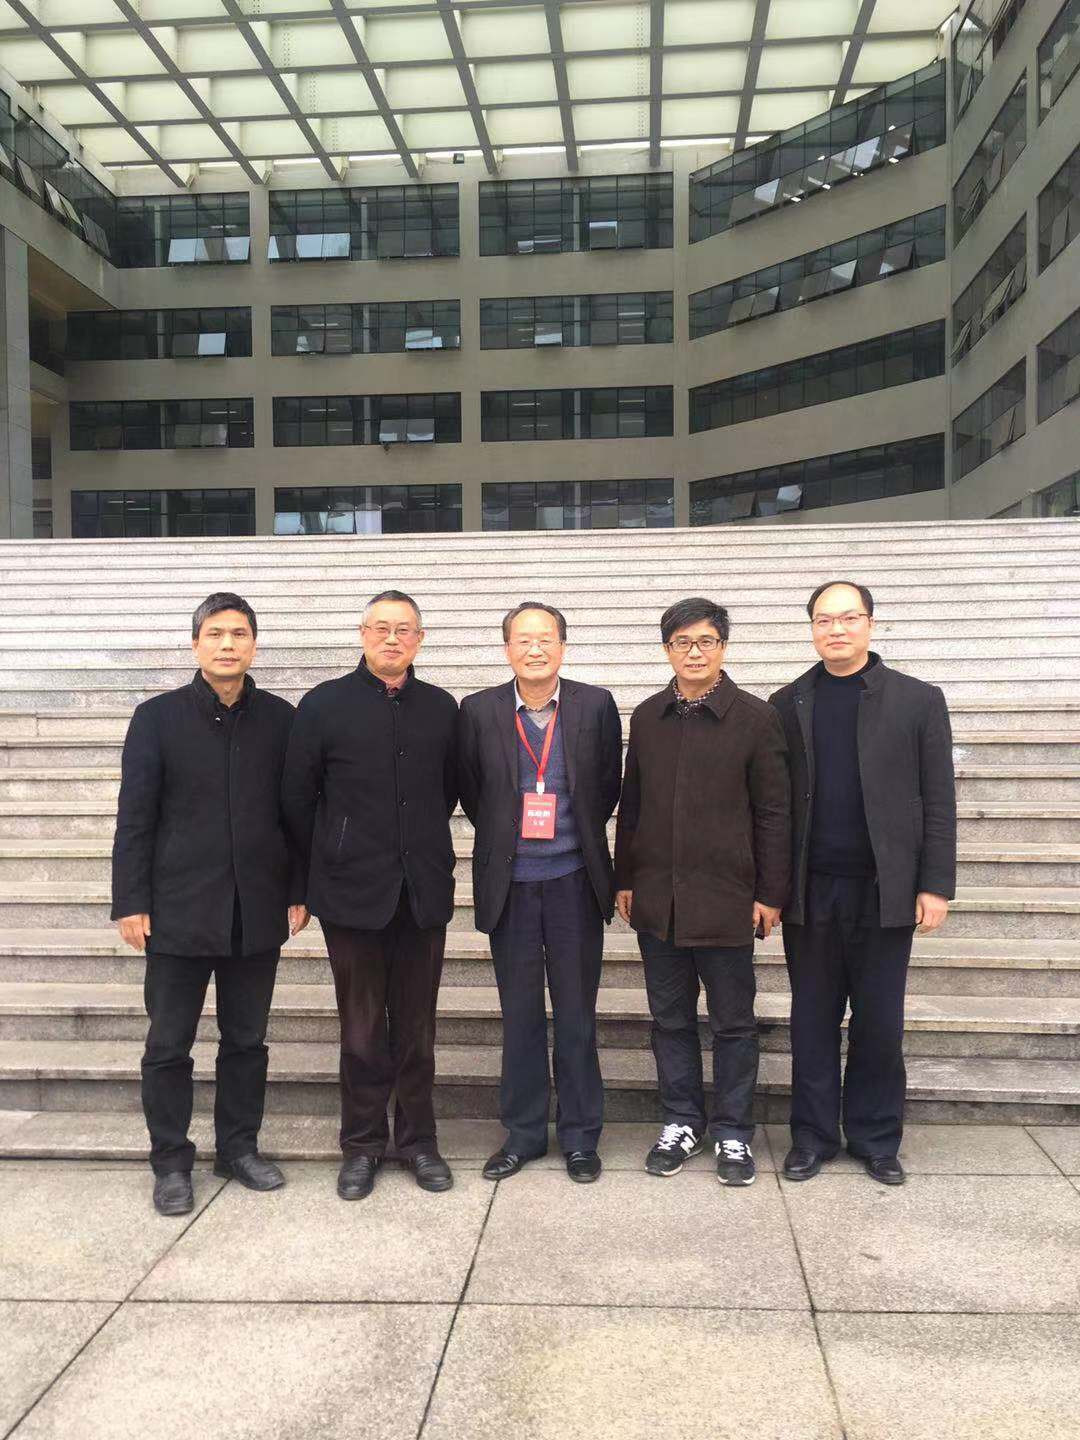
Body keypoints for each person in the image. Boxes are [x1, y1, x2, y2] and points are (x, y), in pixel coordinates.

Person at [112, 592, 307, 1217]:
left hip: (256, 910)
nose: (228, 644)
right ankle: (171, 1162)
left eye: (239, 633)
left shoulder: (281, 720)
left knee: (246, 1041)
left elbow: (297, 815)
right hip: (176, 911)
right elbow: (135, 817)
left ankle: (238, 1149)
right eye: (216, 633)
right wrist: (130, 900)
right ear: (195, 643)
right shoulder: (156, 718)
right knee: (169, 1045)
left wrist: (298, 890)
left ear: (255, 644)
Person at [769, 580, 956, 1186]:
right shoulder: (787, 701)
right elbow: (774, 804)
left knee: (879, 1022)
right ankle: (813, 1136)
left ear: (870, 624)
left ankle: (876, 1138)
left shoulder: (917, 700)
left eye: (848, 618)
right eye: (824, 620)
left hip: (885, 889)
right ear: (812, 629)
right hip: (811, 889)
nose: (836, 629)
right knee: (812, 1018)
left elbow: (939, 798)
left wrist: (935, 884)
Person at [282, 590, 458, 1201]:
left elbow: (451, 790)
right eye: (381, 628)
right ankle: (361, 1145)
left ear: (420, 640)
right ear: (362, 634)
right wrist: (307, 879)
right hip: (350, 893)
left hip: (421, 892)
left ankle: (418, 1141)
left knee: (417, 1027)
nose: (392, 638)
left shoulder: (441, 708)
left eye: (404, 629)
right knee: (360, 1029)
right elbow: (298, 800)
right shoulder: (324, 705)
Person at [614, 597, 790, 1186]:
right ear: (667, 649)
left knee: (733, 1022)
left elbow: (773, 813)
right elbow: (632, 804)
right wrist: (624, 877)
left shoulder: (756, 718)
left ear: (723, 647)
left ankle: (734, 1131)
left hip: (727, 900)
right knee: (670, 1020)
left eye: (706, 641)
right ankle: (682, 1121)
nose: (694, 652)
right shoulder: (648, 716)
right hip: (658, 902)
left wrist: (770, 892)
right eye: (682, 642)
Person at [458, 602, 622, 1184]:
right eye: (523, 639)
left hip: (574, 880)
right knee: (521, 1015)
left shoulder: (595, 705)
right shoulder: (478, 710)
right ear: (507, 649)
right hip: (512, 885)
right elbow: (473, 792)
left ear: (563, 646)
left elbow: (607, 785)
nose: (535, 649)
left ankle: (580, 1137)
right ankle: (523, 1134)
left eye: (546, 638)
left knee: (576, 1014)